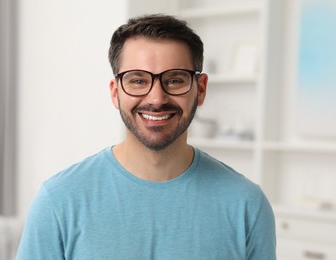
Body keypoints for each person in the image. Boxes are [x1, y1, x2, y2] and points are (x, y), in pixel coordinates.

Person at [16, 14, 276, 259]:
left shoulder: (247, 205)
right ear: (115, 92)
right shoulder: (59, 201)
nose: (156, 99)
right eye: (138, 80)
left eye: (174, 80)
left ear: (201, 89)